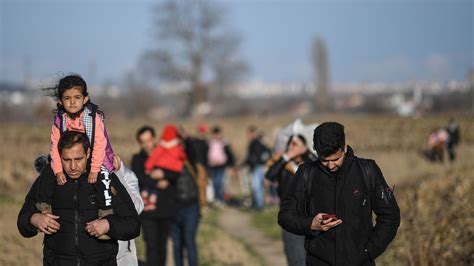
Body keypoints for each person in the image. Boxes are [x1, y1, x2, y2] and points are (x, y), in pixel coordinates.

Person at [278, 122, 400, 265]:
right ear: (316, 151)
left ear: (345, 147)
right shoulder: (306, 173)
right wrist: (310, 224)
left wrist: (370, 251)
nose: (330, 165)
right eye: (324, 160)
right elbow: (285, 216)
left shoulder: (368, 170)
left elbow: (390, 216)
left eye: (335, 159)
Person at [17, 131, 140, 265]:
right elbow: (22, 221)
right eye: (67, 160)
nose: (73, 166)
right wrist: (34, 219)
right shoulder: (48, 179)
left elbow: (133, 225)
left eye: (78, 159)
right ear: (59, 157)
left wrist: (108, 225)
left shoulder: (105, 179)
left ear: (88, 154)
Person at [37, 74, 116, 239]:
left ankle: (106, 214)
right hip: (69, 157)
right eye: (67, 98)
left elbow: (100, 145)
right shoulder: (60, 119)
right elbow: (55, 146)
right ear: (60, 101)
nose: (72, 102)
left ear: (85, 98)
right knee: (48, 170)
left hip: (96, 156)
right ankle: (44, 206)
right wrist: (58, 171)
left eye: (77, 97)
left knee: (104, 178)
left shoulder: (93, 118)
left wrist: (94, 170)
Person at [132, 125, 180, 266]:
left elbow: (176, 172)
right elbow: (138, 177)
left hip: (165, 207)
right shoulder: (137, 159)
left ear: (154, 139)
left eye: (149, 140)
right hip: (147, 212)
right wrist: (156, 181)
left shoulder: (166, 154)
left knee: (162, 246)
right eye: (143, 141)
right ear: (139, 143)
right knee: (151, 245)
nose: (147, 144)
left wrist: (164, 174)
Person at [265, 135, 316, 266]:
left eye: (297, 144)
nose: (295, 148)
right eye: (292, 144)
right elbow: (270, 175)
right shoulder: (284, 166)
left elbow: (323, 167)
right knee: (295, 258)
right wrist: (286, 156)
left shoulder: (311, 165)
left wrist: (306, 152)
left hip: (311, 217)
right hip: (290, 217)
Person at [170, 127, 204, 266]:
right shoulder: (166, 159)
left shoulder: (189, 159)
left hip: (191, 206)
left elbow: (193, 152)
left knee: (189, 241)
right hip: (173, 207)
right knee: (177, 244)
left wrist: (186, 138)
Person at [244, 125, 271, 210]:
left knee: (257, 187)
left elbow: (266, 153)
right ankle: (257, 204)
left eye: (249, 133)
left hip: (258, 167)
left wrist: (261, 161)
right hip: (254, 167)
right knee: (257, 187)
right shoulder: (253, 143)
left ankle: (259, 205)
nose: (248, 135)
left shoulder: (257, 143)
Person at [207, 126, 235, 205]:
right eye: (214, 134)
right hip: (212, 166)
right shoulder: (210, 143)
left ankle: (220, 198)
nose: (216, 136)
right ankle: (216, 198)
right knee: (214, 183)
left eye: (217, 134)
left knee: (219, 182)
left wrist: (230, 166)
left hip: (221, 166)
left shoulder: (224, 143)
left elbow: (230, 155)